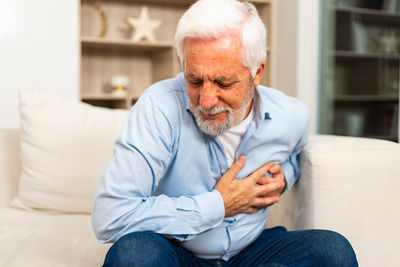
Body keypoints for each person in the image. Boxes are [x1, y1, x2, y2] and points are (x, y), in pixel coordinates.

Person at [92, 0, 358, 266]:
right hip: (178, 253)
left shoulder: (291, 115)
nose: (206, 101)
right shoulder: (158, 107)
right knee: (132, 256)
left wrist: (284, 178)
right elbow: (111, 216)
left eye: (223, 82)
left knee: (333, 251)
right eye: (194, 80)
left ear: (257, 72)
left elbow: (294, 154)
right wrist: (219, 204)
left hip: (253, 251)